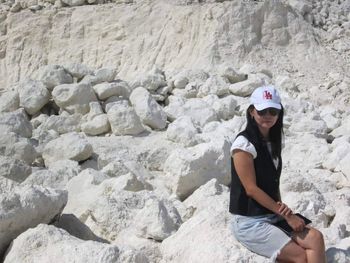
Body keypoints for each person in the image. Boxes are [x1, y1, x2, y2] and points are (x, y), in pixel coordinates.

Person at [229, 85, 326, 263]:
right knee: (300, 256)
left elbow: (272, 182)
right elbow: (251, 189)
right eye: (262, 110)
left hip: (271, 215)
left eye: (273, 111)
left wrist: (281, 210)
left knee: (316, 239)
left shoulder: (271, 141)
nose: (268, 115)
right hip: (250, 222)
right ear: (252, 111)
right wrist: (288, 216)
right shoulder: (243, 145)